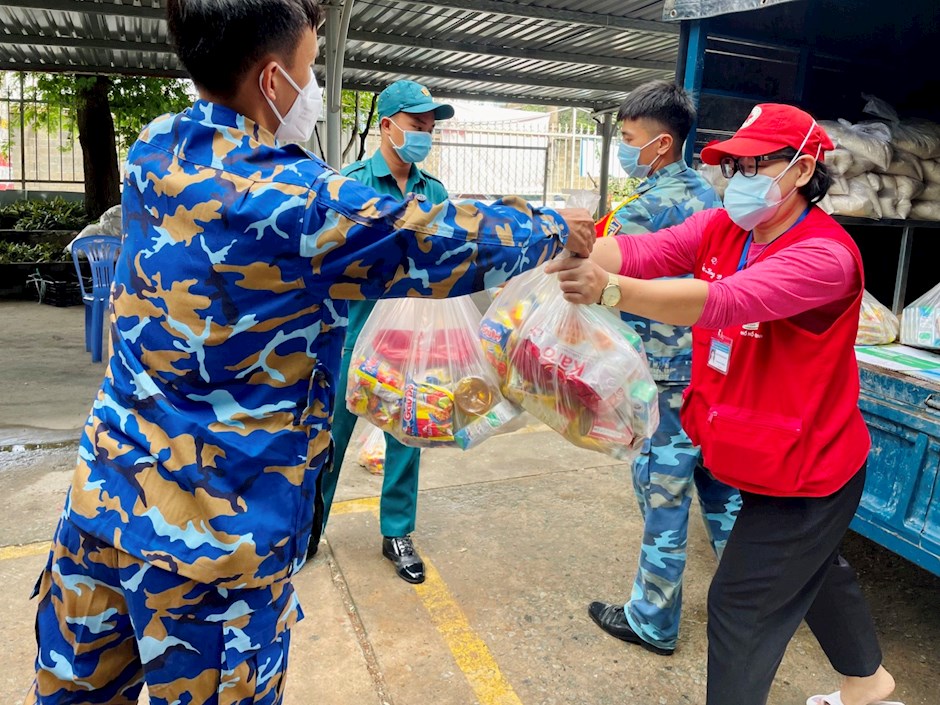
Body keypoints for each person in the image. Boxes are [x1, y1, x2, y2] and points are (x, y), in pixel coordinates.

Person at [24, 0, 594, 702]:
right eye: (310, 67)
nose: (314, 86)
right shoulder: (298, 202)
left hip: (99, 507)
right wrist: (554, 224)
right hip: (212, 555)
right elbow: (438, 240)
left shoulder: (154, 146)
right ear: (272, 80)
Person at [548, 103, 900, 705]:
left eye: (755, 165)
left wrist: (613, 291)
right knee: (812, 572)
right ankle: (869, 684)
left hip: (808, 469)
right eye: (732, 166)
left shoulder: (824, 256)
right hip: (751, 448)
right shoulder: (724, 229)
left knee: (741, 603)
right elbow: (643, 253)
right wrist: (579, 254)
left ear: (801, 168)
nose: (738, 179)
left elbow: (723, 302)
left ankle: (863, 684)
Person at [587, 80, 741, 656]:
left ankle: (652, 619)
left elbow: (603, 282)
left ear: (661, 143)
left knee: (663, 497)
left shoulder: (647, 206)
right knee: (724, 494)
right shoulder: (716, 201)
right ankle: (748, 608)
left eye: (628, 139)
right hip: (711, 371)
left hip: (664, 379)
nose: (623, 149)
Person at [317, 80, 452, 584]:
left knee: (406, 437)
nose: (424, 137)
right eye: (417, 126)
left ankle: (397, 531)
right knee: (331, 437)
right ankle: (311, 526)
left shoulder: (433, 192)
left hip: (411, 339)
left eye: (430, 130)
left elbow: (446, 262)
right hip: (352, 334)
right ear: (388, 126)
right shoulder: (350, 184)